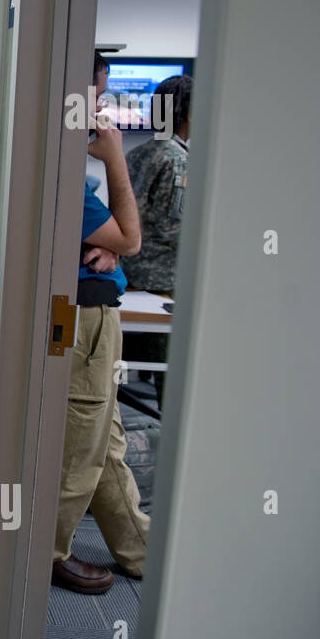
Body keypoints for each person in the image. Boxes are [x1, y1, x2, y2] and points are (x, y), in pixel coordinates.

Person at [51, 54, 151, 595]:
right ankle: (47, 552)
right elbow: (129, 239)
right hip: (84, 322)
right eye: (100, 92)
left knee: (104, 443)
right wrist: (116, 157)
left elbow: (115, 244)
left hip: (95, 320)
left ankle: (141, 549)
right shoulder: (65, 164)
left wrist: (107, 247)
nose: (104, 104)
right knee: (79, 449)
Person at [123, 74, 194, 410]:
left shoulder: (139, 152)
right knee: (174, 372)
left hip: (133, 274)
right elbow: (175, 227)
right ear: (188, 112)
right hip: (165, 281)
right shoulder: (178, 159)